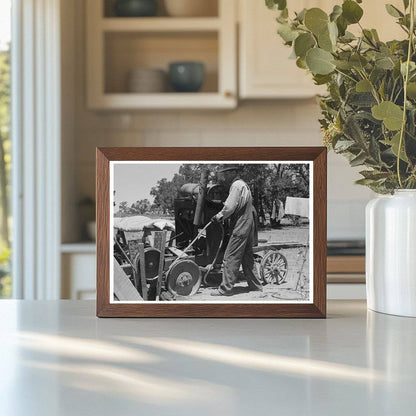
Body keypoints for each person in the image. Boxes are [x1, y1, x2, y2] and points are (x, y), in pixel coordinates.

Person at [210, 165, 263, 296]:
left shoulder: (236, 185)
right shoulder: (242, 184)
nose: (224, 177)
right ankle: (256, 286)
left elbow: (229, 207)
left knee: (230, 257)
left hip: (242, 223)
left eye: (226, 174)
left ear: (233, 173)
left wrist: (218, 216)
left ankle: (225, 289)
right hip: (247, 222)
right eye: (224, 174)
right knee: (247, 257)